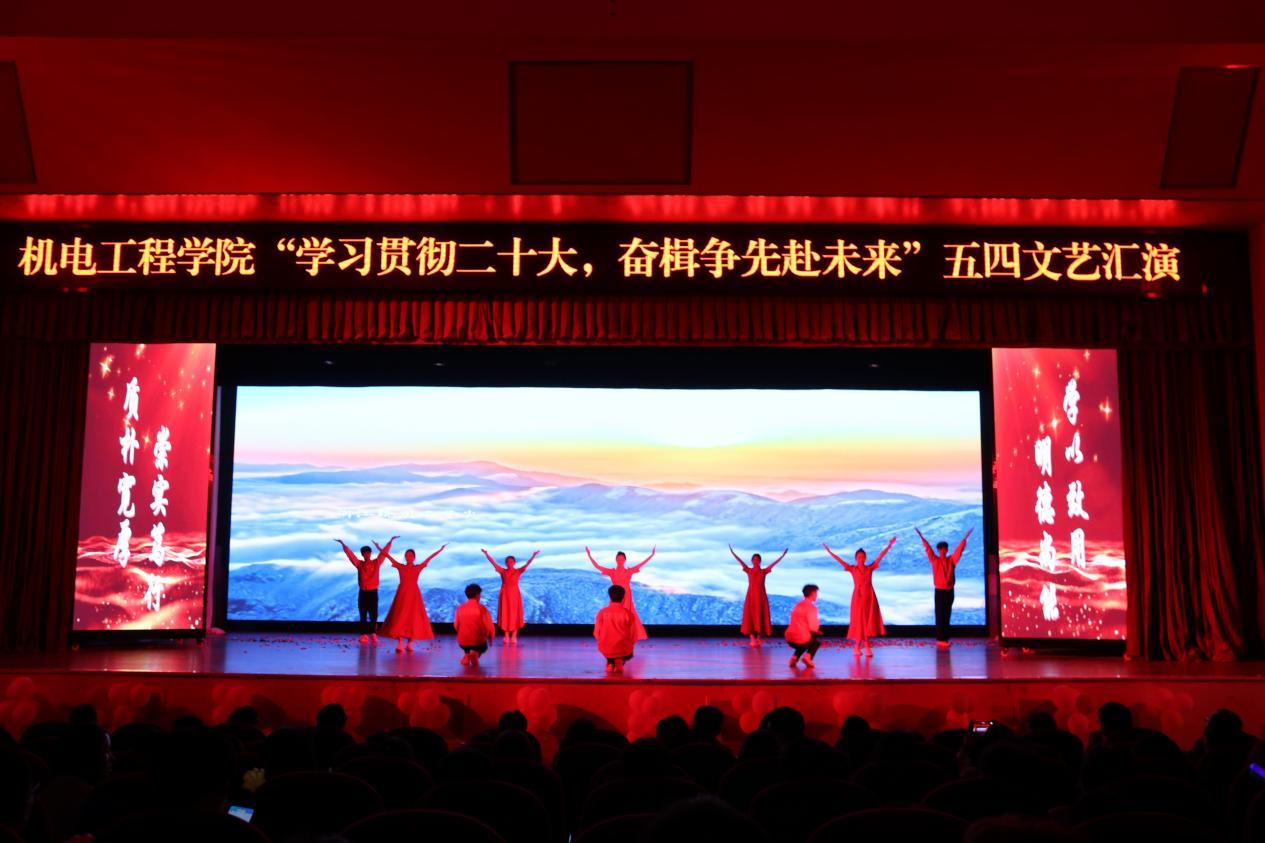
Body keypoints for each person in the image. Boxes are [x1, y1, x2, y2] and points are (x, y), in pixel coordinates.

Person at [824, 536, 895, 657]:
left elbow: (880, 557)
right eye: (859, 557)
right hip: (858, 598)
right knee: (860, 622)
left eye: (863, 557)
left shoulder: (870, 568)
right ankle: (865, 647)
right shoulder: (853, 569)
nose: (861, 559)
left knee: (866, 622)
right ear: (856, 558)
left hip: (869, 598)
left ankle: (859, 647)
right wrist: (829, 552)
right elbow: (840, 561)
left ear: (865, 558)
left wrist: (889, 546)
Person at [378, 544, 445, 653]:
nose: (409, 557)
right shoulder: (401, 566)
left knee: (413, 619)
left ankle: (409, 643)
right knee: (400, 617)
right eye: (407, 555)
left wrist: (440, 549)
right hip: (402, 594)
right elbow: (388, 556)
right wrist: (379, 548)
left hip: (414, 595)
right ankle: (400, 642)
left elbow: (429, 558)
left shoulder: (417, 567)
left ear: (414, 557)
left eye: (411, 555)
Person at [916, 526, 973, 647]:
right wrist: (921, 537)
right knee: (940, 615)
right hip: (939, 591)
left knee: (947, 615)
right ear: (938, 550)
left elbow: (959, 551)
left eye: (945, 549)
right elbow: (928, 550)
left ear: (946, 550)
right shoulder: (935, 560)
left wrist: (965, 538)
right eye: (941, 549)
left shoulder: (951, 560)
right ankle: (940, 639)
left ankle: (945, 638)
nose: (943, 551)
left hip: (949, 591)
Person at [336, 535, 397, 644]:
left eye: (368, 553)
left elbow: (384, 554)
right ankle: (363, 634)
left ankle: (373, 633)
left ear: (370, 553)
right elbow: (351, 556)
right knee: (363, 613)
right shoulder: (359, 564)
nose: (367, 555)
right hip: (363, 592)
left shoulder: (376, 562)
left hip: (373, 592)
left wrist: (390, 542)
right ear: (362, 555)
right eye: (364, 553)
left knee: (374, 614)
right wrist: (343, 545)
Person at [586, 545, 655, 641]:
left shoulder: (629, 571)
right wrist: (589, 555)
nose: (620, 560)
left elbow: (641, 564)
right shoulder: (612, 572)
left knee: (626, 615)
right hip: (615, 595)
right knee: (614, 615)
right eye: (618, 558)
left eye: (622, 559)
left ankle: (625, 636)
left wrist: (651, 555)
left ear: (625, 560)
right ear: (616, 560)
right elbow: (598, 566)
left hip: (626, 595)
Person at [730, 544, 788, 647]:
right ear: (752, 561)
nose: (756, 561)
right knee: (750, 616)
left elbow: (773, 564)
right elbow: (740, 562)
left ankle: (759, 637)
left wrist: (782, 556)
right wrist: (733, 553)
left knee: (761, 615)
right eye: (754, 559)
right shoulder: (749, 570)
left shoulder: (763, 571)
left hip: (761, 597)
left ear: (760, 561)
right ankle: (752, 638)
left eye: (757, 559)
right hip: (751, 596)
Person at [482, 548, 539, 645]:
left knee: (515, 614)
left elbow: (527, 564)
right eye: (508, 562)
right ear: (505, 563)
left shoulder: (518, 571)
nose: (509, 563)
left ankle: (514, 636)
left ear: (514, 563)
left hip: (515, 595)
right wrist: (486, 554)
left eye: (511, 561)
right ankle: (506, 635)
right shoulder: (502, 571)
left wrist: (533, 556)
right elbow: (493, 563)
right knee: (506, 613)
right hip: (505, 595)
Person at [594, 584, 637, 673]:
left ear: (609, 596)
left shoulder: (602, 612)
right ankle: (620, 660)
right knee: (627, 650)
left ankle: (610, 662)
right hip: (623, 649)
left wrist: (603, 641)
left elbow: (596, 633)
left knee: (609, 647)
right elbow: (633, 635)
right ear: (623, 597)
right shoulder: (628, 614)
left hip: (605, 648)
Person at [454, 583, 496, 668]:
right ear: (477, 595)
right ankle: (475, 654)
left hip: (462, 642)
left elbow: (456, 625)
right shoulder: (482, 608)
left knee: (467, 643)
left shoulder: (460, 608)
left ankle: (467, 655)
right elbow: (489, 626)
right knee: (483, 647)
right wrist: (491, 637)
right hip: (478, 642)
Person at [785, 584, 822, 669]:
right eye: (816, 593)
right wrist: (817, 630)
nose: (816, 596)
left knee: (804, 642)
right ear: (812, 593)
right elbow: (813, 628)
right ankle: (808, 657)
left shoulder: (798, 605)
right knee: (815, 642)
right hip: (801, 638)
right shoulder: (811, 608)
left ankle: (794, 657)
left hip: (789, 637)